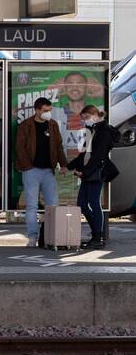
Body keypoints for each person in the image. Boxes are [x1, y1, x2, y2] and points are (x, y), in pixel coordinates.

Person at [14, 96, 67, 244]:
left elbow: (58, 146)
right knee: (32, 205)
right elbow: (20, 148)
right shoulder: (25, 125)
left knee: (53, 205)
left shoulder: (53, 125)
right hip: (31, 171)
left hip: (48, 171)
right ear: (37, 110)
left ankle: (51, 237)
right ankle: (32, 237)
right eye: (45, 111)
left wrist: (63, 165)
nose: (48, 113)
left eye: (49, 110)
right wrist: (27, 167)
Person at [67, 105, 120, 248]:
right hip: (89, 172)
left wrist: (84, 171)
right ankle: (96, 233)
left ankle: (98, 237)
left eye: (86, 118)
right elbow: (84, 154)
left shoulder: (104, 131)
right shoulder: (93, 130)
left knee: (94, 203)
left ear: (94, 115)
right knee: (82, 204)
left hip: (96, 172)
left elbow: (98, 156)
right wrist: (69, 166)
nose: (85, 121)